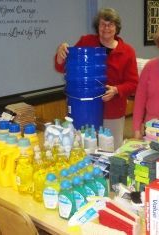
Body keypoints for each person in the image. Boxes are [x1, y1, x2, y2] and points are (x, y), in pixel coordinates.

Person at [55, 8, 138, 149]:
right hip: (85, 110)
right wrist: (60, 54)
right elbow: (64, 67)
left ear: (116, 27)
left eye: (110, 24)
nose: (106, 28)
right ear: (97, 27)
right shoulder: (86, 42)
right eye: (102, 24)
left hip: (113, 111)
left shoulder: (127, 51)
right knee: (84, 149)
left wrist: (116, 90)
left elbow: (133, 83)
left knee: (111, 150)